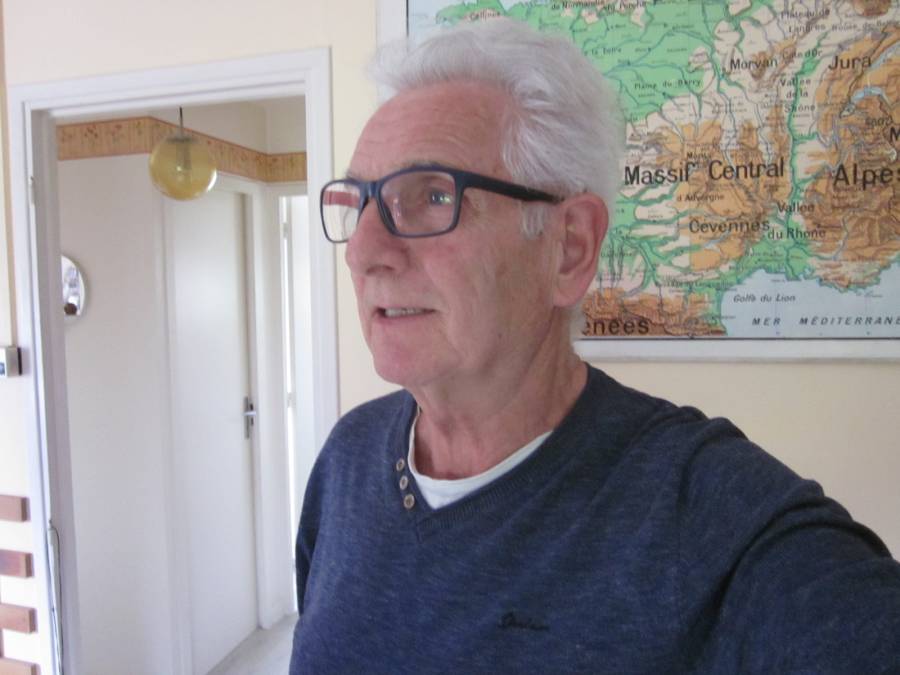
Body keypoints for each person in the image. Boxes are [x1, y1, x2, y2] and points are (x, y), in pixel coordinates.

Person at [290, 18, 900, 674]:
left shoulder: (708, 518)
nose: (363, 251)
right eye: (360, 203)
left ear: (570, 248)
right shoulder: (346, 459)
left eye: (432, 196)